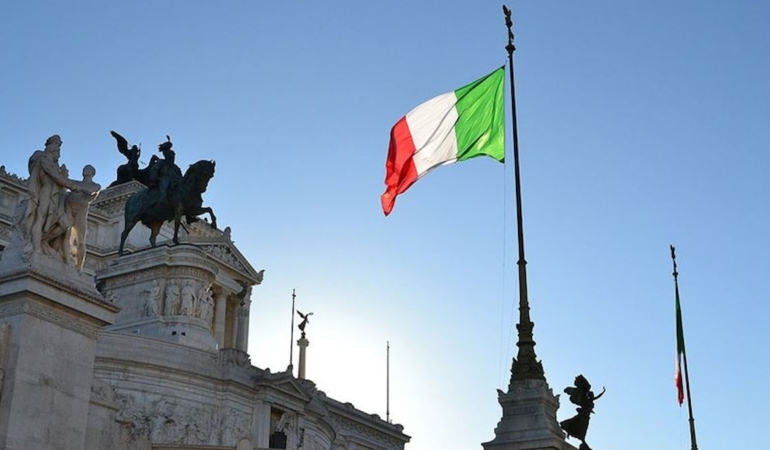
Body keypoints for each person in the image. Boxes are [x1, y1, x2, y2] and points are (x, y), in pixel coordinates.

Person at [23, 135, 79, 256]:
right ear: (52, 151)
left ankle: (43, 240)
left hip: (57, 195)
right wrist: (72, 185)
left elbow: (58, 177)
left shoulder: (52, 164)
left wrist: (64, 176)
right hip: (46, 191)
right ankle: (36, 249)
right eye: (58, 153)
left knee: (65, 224)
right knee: (40, 218)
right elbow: (55, 176)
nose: (59, 156)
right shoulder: (44, 159)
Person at [64, 165, 101, 269]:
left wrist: (77, 188)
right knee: (66, 235)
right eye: (84, 169)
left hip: (80, 213)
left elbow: (91, 192)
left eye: (87, 169)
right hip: (68, 210)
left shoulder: (95, 185)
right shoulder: (77, 183)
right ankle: (66, 260)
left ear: (92, 173)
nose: (84, 170)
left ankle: (79, 266)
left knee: (80, 241)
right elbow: (65, 181)